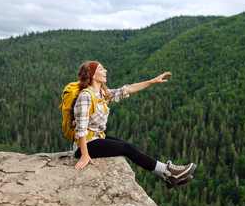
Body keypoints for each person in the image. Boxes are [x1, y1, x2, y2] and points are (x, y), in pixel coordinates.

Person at [73, 61, 196, 189]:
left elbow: (127, 90)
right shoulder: (86, 96)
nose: (105, 71)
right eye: (101, 69)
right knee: (127, 149)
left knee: (130, 146)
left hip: (97, 138)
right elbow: (80, 129)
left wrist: (152, 81)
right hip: (86, 144)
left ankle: (168, 176)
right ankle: (168, 172)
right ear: (92, 74)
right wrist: (85, 155)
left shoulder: (102, 94)